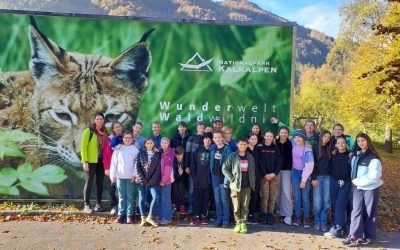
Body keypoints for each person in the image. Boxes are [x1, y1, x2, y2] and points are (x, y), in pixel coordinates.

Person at [343, 133, 383, 247]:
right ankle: (354, 236)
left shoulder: (373, 157)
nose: (361, 143)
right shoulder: (356, 155)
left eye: (363, 140)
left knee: (369, 212)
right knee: (356, 211)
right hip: (358, 188)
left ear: (368, 141)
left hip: (370, 188)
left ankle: (369, 237)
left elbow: (374, 176)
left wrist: (356, 181)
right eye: (359, 141)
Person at [222, 137, 256, 234]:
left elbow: (253, 171)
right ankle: (238, 222)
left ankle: (243, 223)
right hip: (235, 185)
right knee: (236, 205)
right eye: (240, 144)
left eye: (244, 144)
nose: (242, 146)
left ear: (247, 145)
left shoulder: (250, 156)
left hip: (247, 185)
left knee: (245, 205)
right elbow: (225, 169)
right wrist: (232, 179)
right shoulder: (233, 156)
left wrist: (252, 182)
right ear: (237, 145)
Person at [80, 112, 112, 213]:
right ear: (95, 120)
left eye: (101, 119)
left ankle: (98, 205)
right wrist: (84, 161)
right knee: (89, 181)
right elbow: (83, 148)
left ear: (103, 120)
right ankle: (86, 205)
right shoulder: (88, 131)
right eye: (97, 119)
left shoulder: (106, 131)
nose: (99, 121)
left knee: (100, 183)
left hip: (101, 161)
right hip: (91, 161)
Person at [109, 131, 139, 224]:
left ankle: (130, 215)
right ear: (123, 139)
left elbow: (137, 164)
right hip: (120, 177)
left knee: (130, 196)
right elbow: (114, 164)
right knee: (121, 196)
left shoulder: (135, 150)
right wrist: (112, 176)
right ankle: (121, 215)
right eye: (126, 138)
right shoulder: (118, 149)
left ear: (132, 139)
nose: (127, 139)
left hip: (130, 177)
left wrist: (134, 175)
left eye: (129, 138)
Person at [324, 136, 351, 238]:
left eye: (343, 143)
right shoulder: (333, 154)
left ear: (346, 144)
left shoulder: (350, 155)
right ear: (335, 145)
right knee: (335, 205)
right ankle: (340, 226)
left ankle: (336, 231)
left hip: (345, 183)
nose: (340, 145)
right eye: (338, 143)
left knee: (340, 205)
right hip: (334, 181)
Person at [256, 131, 282, 225]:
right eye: (267, 136)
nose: (269, 137)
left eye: (271, 136)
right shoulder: (260, 147)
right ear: (264, 137)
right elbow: (259, 162)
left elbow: (279, 161)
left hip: (274, 175)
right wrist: (265, 174)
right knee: (265, 195)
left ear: (273, 137)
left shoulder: (275, 148)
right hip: (264, 176)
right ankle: (264, 214)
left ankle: (270, 214)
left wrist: (274, 173)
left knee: (272, 195)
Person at [290, 129, 314, 228]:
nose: (297, 139)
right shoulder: (293, 144)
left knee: (305, 197)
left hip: (305, 174)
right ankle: (297, 217)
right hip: (295, 173)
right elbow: (287, 134)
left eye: (299, 137)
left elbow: (309, 165)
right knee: (297, 197)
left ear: (303, 138)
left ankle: (306, 218)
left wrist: (304, 180)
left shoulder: (308, 150)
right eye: (295, 137)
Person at [135, 138, 161, 227]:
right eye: (147, 143)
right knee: (141, 198)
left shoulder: (157, 155)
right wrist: (142, 179)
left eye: (151, 143)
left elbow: (158, 170)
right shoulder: (140, 154)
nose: (149, 144)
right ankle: (143, 218)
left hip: (153, 181)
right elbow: (136, 167)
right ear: (145, 144)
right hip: (141, 180)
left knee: (156, 196)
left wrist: (151, 180)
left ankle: (150, 216)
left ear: (154, 144)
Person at [190, 132, 213, 226]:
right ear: (203, 140)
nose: (207, 141)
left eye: (209, 139)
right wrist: (194, 177)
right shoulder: (197, 149)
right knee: (197, 199)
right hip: (198, 179)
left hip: (208, 180)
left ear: (211, 141)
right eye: (206, 139)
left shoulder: (212, 150)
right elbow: (193, 164)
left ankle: (204, 216)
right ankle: (196, 216)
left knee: (206, 199)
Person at [311, 130, 332, 232]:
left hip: (328, 178)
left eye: (328, 137)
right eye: (325, 136)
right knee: (317, 202)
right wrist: (313, 178)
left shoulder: (331, 149)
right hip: (317, 178)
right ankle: (317, 220)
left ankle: (323, 222)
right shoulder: (315, 148)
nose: (326, 138)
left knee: (326, 202)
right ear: (321, 136)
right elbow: (312, 164)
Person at [210, 131, 232, 227]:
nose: (217, 139)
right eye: (215, 137)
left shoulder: (227, 149)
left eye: (219, 137)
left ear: (222, 138)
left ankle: (226, 220)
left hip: (224, 177)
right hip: (214, 176)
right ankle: (218, 219)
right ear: (213, 139)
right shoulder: (213, 149)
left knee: (224, 199)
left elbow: (230, 164)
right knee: (217, 199)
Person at [185, 121, 206, 214]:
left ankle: (202, 208)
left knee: (203, 188)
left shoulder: (207, 137)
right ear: (197, 128)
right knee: (192, 187)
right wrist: (187, 166)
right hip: (193, 167)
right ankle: (190, 206)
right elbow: (187, 152)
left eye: (202, 128)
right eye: (199, 128)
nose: (201, 129)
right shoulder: (191, 138)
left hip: (204, 168)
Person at [275, 126, 293, 225]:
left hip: (287, 170)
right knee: (277, 191)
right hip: (276, 170)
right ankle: (279, 210)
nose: (284, 134)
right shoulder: (275, 143)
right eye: (282, 132)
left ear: (288, 134)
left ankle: (288, 214)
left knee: (286, 192)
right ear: (279, 133)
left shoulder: (291, 143)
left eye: (285, 133)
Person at [107, 121, 123, 215]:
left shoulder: (126, 137)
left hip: (124, 167)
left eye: (119, 126)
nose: (118, 128)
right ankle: (114, 206)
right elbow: (108, 152)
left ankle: (122, 207)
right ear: (113, 129)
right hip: (114, 166)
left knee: (122, 189)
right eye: (116, 127)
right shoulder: (111, 139)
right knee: (113, 186)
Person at [247, 133, 262, 224]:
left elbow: (260, 163)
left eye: (255, 139)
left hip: (257, 176)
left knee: (254, 195)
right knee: (247, 196)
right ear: (248, 140)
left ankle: (251, 214)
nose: (254, 141)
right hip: (247, 176)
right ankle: (246, 214)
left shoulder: (258, 150)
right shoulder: (245, 149)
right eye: (252, 139)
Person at [159, 137, 175, 225]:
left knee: (166, 199)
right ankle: (161, 215)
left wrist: (163, 181)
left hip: (166, 181)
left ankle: (168, 217)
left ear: (168, 144)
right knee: (161, 199)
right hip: (159, 180)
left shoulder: (170, 154)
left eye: (165, 143)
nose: (163, 144)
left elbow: (168, 169)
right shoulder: (159, 152)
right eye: (162, 142)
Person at [172, 147, 188, 214]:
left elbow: (186, 176)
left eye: (180, 155)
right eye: (177, 155)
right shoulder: (174, 161)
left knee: (181, 188)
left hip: (183, 180)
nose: (179, 156)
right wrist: (179, 174)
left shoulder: (185, 162)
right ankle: (175, 204)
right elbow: (173, 173)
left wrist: (182, 173)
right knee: (175, 188)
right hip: (175, 179)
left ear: (183, 155)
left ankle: (182, 205)